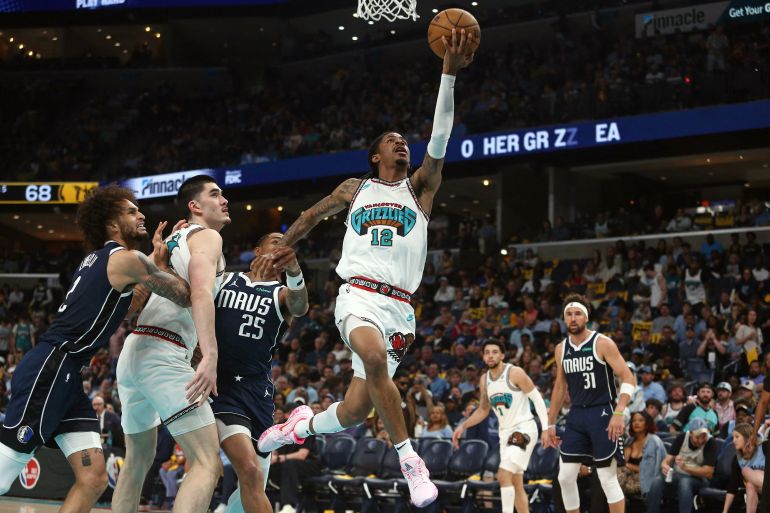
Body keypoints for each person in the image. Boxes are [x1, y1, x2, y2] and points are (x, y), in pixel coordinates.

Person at [257, 29, 475, 508]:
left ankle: (299, 426)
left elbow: (440, 137)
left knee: (356, 410)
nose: (402, 145)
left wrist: (448, 75)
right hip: (357, 295)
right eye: (392, 142)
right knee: (374, 360)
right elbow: (311, 216)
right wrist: (280, 248)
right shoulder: (354, 189)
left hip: (401, 308)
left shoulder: (421, 188)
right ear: (376, 155)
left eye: (404, 142)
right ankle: (410, 460)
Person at [0, 185, 191, 511]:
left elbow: (128, 307)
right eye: (131, 211)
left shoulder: (101, 260)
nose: (141, 215)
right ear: (112, 225)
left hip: (67, 374)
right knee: (4, 472)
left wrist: (155, 261)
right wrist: (177, 249)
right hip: (51, 368)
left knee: (94, 478)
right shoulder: (126, 259)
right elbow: (184, 294)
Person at [113, 175, 230, 513]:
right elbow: (201, 293)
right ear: (195, 206)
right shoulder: (207, 236)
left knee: (137, 461)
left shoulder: (173, 240)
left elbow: (135, 303)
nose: (224, 200)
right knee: (206, 461)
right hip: (164, 352)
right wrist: (210, 356)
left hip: (134, 351)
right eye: (215, 194)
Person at [213, 233, 309, 513]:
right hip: (223, 389)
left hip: (258, 393)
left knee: (254, 485)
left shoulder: (282, 293)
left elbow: (300, 306)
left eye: (286, 243)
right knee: (250, 470)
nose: (282, 245)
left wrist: (294, 270)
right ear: (257, 251)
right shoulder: (225, 280)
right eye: (276, 241)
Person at [542, 293, 637, 513]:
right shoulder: (561, 349)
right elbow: (560, 387)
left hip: (603, 412)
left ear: (586, 317)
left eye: (578, 313)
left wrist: (619, 412)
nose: (573, 318)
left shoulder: (602, 343)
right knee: (565, 477)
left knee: (606, 478)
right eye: (569, 314)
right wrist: (550, 424)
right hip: (577, 415)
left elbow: (628, 378)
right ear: (564, 318)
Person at [451, 339, 549, 513]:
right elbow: (483, 410)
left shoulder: (515, 372)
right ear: (483, 356)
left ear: (502, 355)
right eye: (487, 352)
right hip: (505, 434)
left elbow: (537, 399)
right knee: (516, 482)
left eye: (495, 352)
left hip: (523, 429)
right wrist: (463, 426)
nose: (491, 355)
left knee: (503, 475)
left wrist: (546, 428)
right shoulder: (484, 380)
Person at [645, 418, 718, 513]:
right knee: (657, 481)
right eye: (697, 437)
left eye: (703, 436)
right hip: (678, 474)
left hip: (699, 479)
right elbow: (666, 460)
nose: (700, 440)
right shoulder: (682, 437)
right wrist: (664, 466)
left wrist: (685, 468)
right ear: (690, 433)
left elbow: (708, 473)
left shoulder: (710, 442)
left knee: (685, 482)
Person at [620, 411, 666, 500]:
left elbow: (650, 470)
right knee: (614, 481)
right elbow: (623, 464)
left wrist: (629, 465)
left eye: (641, 420)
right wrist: (626, 449)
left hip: (645, 479)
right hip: (627, 476)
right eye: (634, 421)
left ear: (647, 423)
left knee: (616, 485)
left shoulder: (654, 441)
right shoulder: (629, 440)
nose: (636, 423)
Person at [723, 423, 764, 513]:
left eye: (737, 437)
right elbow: (732, 486)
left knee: (746, 471)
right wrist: (725, 511)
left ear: (747, 437)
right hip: (760, 490)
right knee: (749, 485)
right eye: (733, 437)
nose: (733, 441)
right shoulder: (737, 459)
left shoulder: (763, 448)